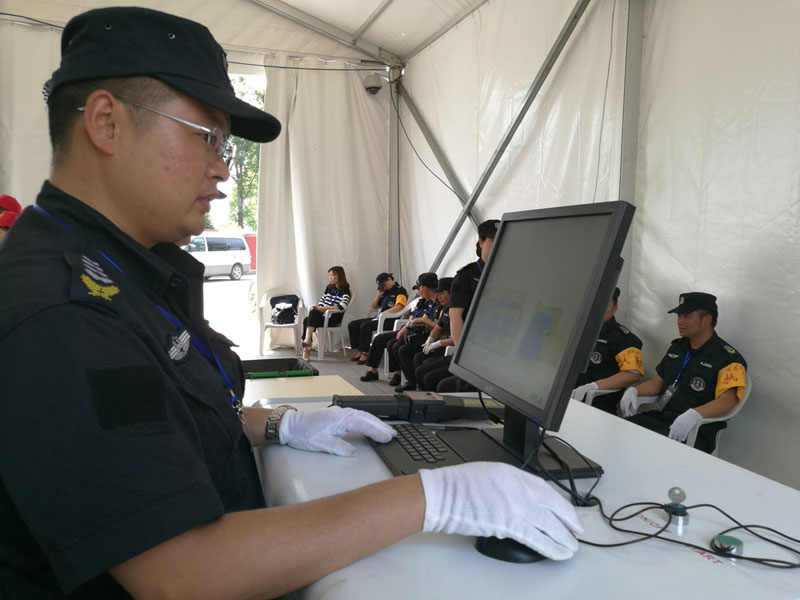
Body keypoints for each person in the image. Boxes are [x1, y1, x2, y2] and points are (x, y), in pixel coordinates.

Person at [0, 8, 582, 598]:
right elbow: (182, 573)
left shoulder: (122, 270)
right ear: (107, 123)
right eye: (207, 136)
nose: (223, 170)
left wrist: (277, 423)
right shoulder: (62, 311)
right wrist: (434, 497)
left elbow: (162, 423)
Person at [619, 292, 747, 453]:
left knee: (647, 449)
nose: (680, 321)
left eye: (686, 316)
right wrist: (635, 390)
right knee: (621, 431)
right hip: (664, 418)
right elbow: (658, 382)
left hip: (697, 430)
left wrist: (695, 414)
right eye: (679, 316)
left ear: (707, 319)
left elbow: (728, 401)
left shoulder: (728, 358)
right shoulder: (678, 347)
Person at [437, 218, 499, 392]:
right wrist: (462, 355)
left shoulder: (511, 271)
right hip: (475, 349)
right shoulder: (465, 276)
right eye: (493, 240)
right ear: (481, 242)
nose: (498, 244)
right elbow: (455, 316)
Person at [570, 287, 644, 413]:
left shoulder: (624, 339)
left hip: (594, 400)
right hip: (565, 392)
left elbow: (633, 374)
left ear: (615, 308)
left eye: (606, 303)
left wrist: (593, 386)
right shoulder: (578, 329)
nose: (600, 308)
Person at [359, 271, 438, 385]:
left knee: (393, 343)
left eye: (419, 288)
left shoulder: (400, 291)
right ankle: (373, 371)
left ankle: (398, 374)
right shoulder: (421, 302)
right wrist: (408, 326)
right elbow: (412, 317)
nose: (418, 291)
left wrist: (384, 315)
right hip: (410, 328)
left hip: (413, 330)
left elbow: (400, 308)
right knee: (379, 338)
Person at [348, 272, 408, 364]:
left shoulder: (400, 291)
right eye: (381, 286)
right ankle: (360, 350)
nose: (383, 287)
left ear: (389, 279)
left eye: (384, 284)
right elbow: (374, 306)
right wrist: (378, 295)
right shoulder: (384, 292)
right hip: (380, 318)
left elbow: (399, 307)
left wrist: (384, 313)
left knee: (366, 326)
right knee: (353, 325)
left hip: (390, 320)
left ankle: (365, 353)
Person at [302, 265, 351, 360]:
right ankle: (307, 343)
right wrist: (317, 307)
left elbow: (342, 306)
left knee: (309, 318)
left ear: (339, 276)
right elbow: (322, 301)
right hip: (323, 317)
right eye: (329, 276)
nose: (330, 278)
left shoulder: (345, 290)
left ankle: (307, 345)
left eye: (332, 275)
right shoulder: (329, 288)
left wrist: (324, 309)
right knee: (308, 318)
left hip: (333, 319)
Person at [415, 277, 456, 391]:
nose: (439, 297)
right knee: (420, 361)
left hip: (451, 349)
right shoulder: (446, 308)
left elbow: (458, 339)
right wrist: (430, 340)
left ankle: (429, 396)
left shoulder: (461, 312)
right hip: (445, 346)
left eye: (442, 294)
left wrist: (438, 343)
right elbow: (438, 328)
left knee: (428, 375)